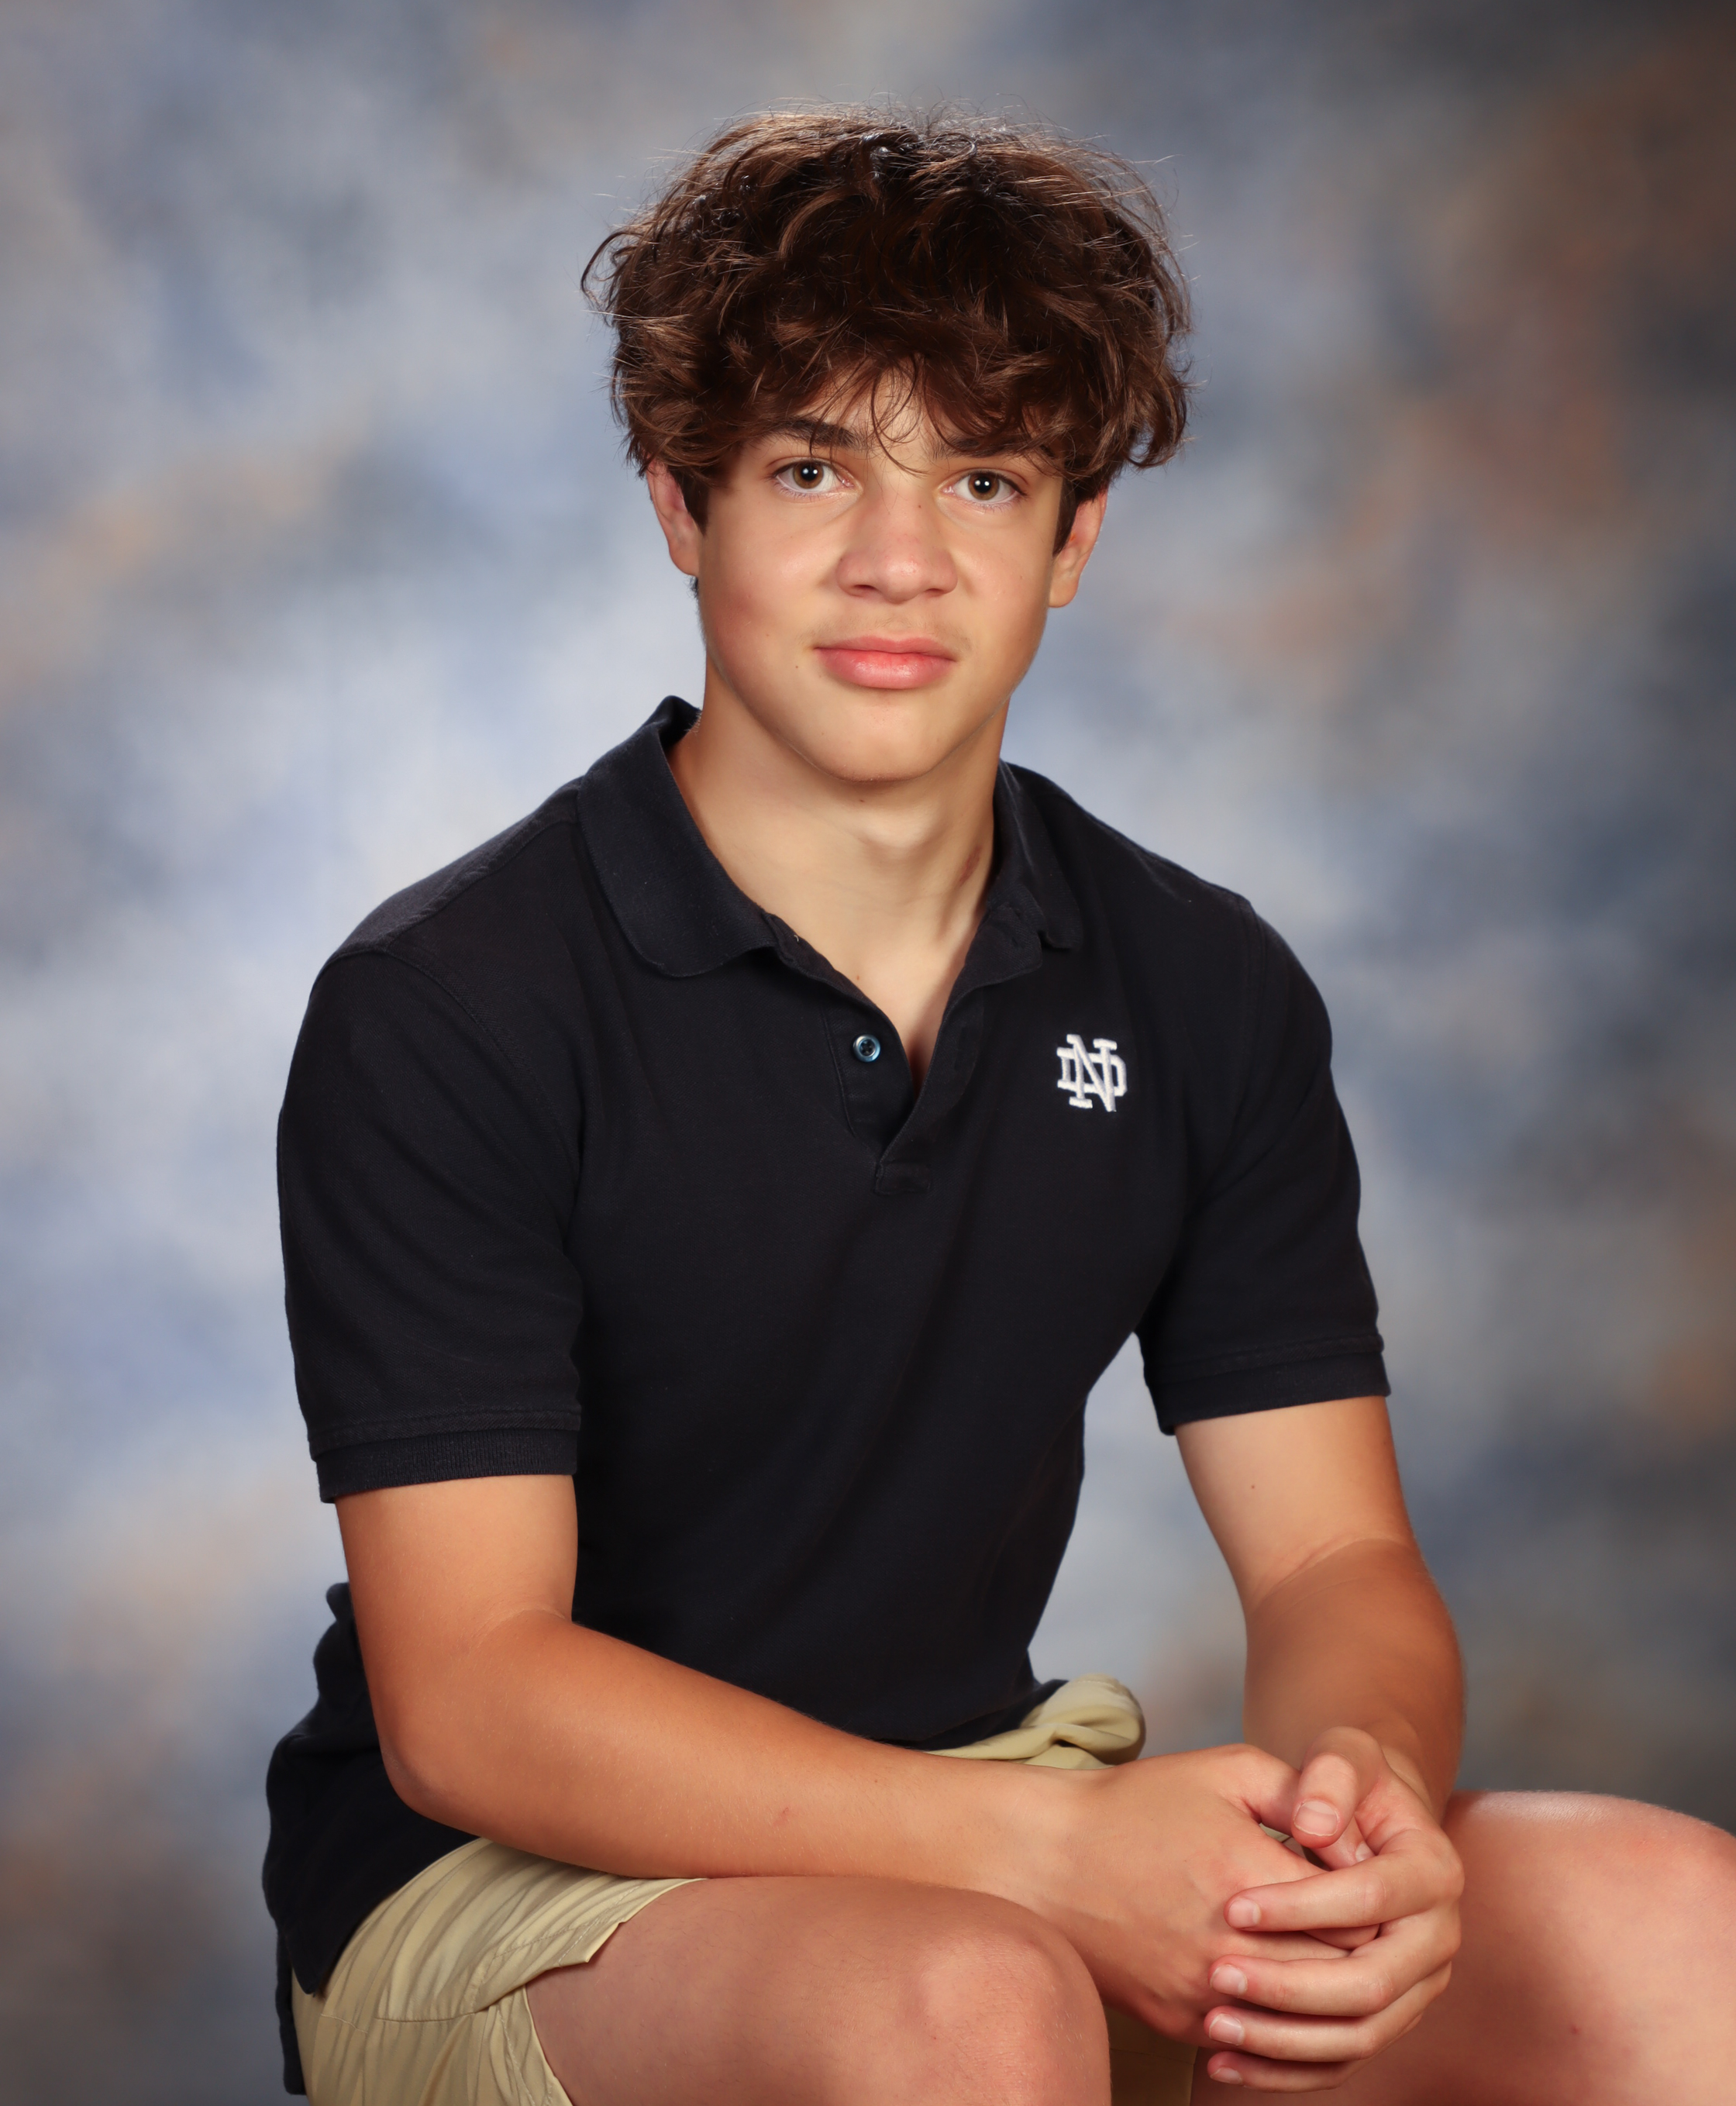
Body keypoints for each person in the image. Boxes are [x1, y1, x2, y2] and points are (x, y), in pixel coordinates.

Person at [264, 109, 1736, 2106]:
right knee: (966, 2005)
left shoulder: (1200, 983)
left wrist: (1360, 1801)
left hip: (987, 1804)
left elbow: (1330, 1565)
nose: (901, 562)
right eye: (812, 469)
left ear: (1076, 537)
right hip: (501, 1885)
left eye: (983, 477)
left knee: (1669, 1927)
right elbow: (473, 1702)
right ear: (682, 505)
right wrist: (1052, 1856)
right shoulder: (450, 1001)